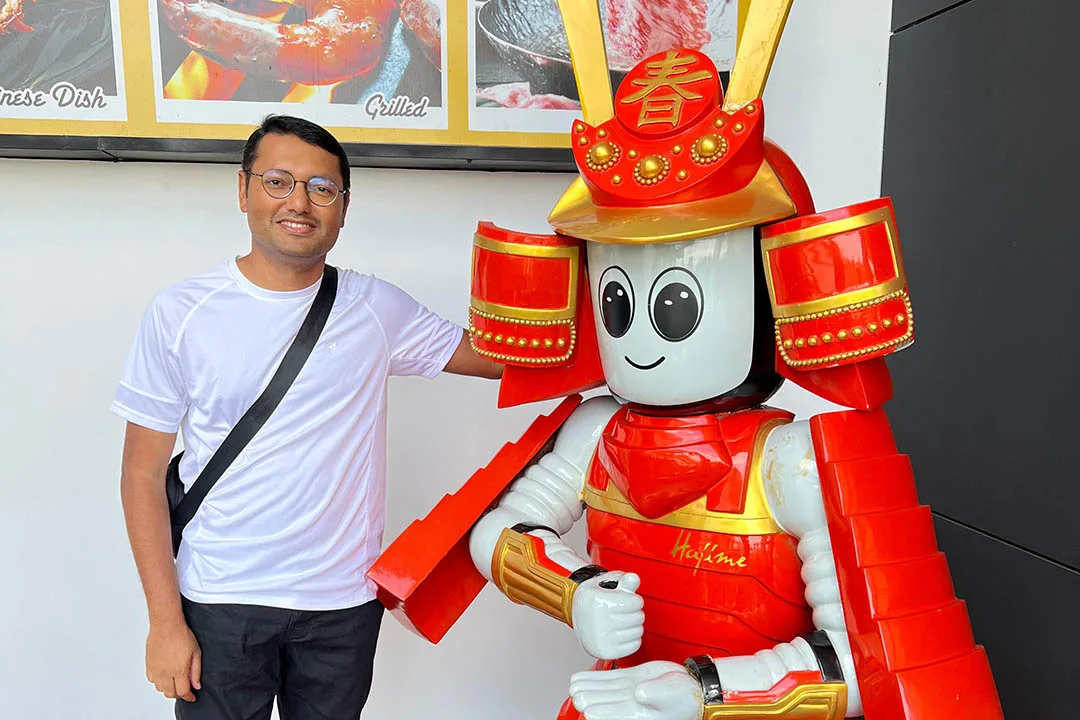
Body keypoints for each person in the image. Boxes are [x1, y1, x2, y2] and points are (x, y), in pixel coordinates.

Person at [111, 114, 502, 720]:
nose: (300, 202)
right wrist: (164, 622)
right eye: (278, 181)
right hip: (221, 600)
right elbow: (141, 475)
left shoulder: (376, 308)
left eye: (322, 188)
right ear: (243, 190)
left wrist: (622, 330)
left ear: (344, 207)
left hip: (341, 605)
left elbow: (492, 358)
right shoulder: (183, 312)